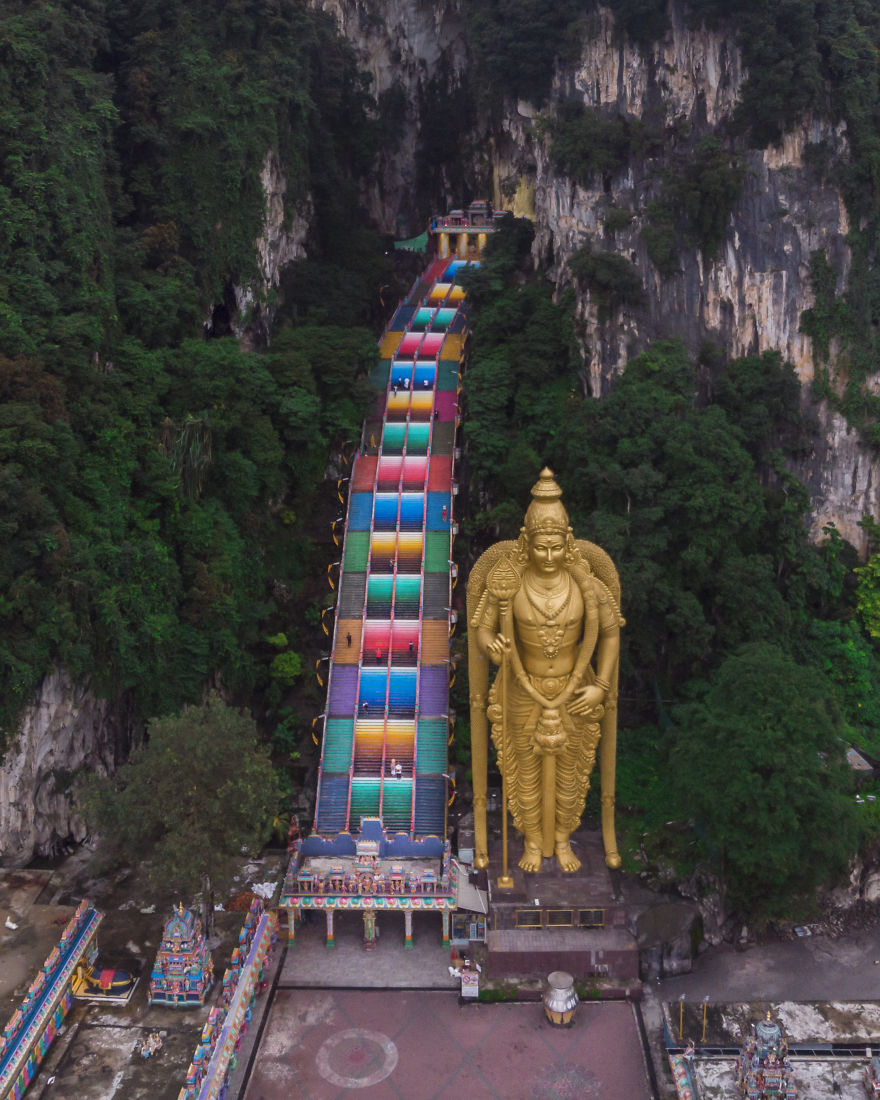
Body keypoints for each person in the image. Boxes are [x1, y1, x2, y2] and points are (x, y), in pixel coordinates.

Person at [469, 469, 623, 872]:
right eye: (541, 548)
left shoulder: (587, 585)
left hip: (576, 688)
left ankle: (563, 837)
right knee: (523, 768)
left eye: (557, 547)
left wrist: (602, 686)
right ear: (527, 544)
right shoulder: (508, 582)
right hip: (522, 687)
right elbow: (481, 629)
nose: (550, 556)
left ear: (568, 543)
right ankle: (534, 841)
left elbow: (609, 635)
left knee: (573, 767)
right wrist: (494, 646)